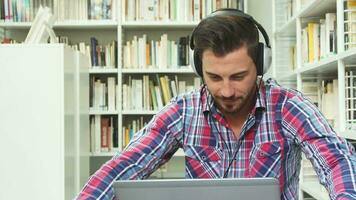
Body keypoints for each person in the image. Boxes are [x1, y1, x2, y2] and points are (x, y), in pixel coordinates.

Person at [76, 9, 356, 200]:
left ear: (260, 64)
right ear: (199, 68)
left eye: (238, 76)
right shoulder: (183, 111)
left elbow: (335, 160)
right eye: (214, 77)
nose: (226, 90)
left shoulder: (288, 106)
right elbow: (125, 165)